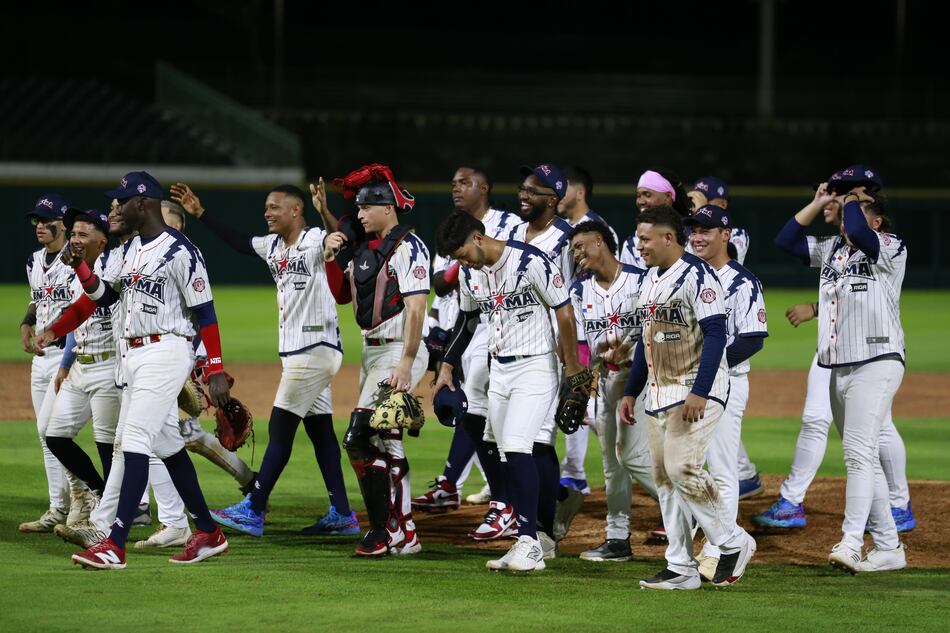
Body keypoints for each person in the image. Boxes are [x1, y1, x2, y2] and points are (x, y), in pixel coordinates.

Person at [39, 171, 231, 569]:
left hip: (166, 350)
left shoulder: (180, 251)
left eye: (121, 202)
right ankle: (209, 533)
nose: (116, 208)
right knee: (167, 446)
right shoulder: (127, 252)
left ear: (142, 204)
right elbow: (102, 297)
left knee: (133, 440)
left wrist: (215, 367)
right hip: (133, 356)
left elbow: (206, 312)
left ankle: (115, 542)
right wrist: (68, 298)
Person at [169, 182, 356, 538]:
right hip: (300, 353)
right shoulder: (271, 245)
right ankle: (342, 513)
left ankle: (253, 508)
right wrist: (201, 213)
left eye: (274, 207)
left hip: (315, 349)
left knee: (280, 429)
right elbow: (239, 241)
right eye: (266, 207)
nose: (267, 213)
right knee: (320, 434)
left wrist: (332, 229)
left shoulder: (315, 238)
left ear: (295, 211)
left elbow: (339, 236)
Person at [754, 183, 914, 533]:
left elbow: (857, 229)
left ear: (877, 221)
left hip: (876, 355)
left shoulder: (889, 245)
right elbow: (785, 240)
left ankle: (873, 525)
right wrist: (817, 203)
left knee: (864, 447)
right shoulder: (833, 249)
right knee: (863, 445)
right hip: (838, 357)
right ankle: (887, 528)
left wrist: (852, 198)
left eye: (854, 212)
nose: (846, 220)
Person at [433, 206, 586, 572]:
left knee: (518, 448)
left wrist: (573, 367)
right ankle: (529, 539)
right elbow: (467, 322)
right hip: (498, 368)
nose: (462, 264)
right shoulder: (471, 276)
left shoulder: (530, 261)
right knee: (505, 454)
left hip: (536, 366)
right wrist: (447, 366)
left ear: (477, 238)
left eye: (462, 255)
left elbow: (563, 312)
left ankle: (530, 543)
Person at [619, 205, 756, 590]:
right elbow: (647, 343)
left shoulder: (699, 275)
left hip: (697, 389)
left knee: (682, 468)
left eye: (645, 238)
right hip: (658, 393)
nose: (639, 245)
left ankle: (732, 540)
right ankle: (680, 566)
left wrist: (699, 391)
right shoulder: (648, 281)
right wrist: (631, 391)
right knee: (665, 480)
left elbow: (716, 334)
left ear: (667, 238)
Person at [324, 164, 430, 557]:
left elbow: (417, 308)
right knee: (387, 442)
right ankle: (405, 532)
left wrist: (406, 361)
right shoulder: (365, 251)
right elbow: (342, 296)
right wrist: (331, 256)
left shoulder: (409, 247)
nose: (360, 214)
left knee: (358, 436)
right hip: (372, 352)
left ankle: (382, 530)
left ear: (387, 207)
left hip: (398, 351)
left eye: (366, 208)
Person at [411, 166, 513, 516]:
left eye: (464, 183)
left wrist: (471, 260)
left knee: (485, 410)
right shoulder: (453, 228)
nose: (456, 188)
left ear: (483, 187)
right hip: (463, 327)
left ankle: (500, 491)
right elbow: (440, 283)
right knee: (471, 408)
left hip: (502, 327)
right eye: (453, 182)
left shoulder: (508, 223)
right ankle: (463, 485)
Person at [684, 205, 769, 581]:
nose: (698, 236)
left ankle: (723, 549)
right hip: (686, 385)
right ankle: (694, 542)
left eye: (707, 230)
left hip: (728, 382)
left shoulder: (742, 281)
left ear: (726, 235)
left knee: (721, 466)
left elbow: (752, 339)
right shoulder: (686, 276)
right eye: (694, 230)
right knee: (685, 465)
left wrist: (709, 368)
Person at [567, 221, 656, 562]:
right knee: (612, 464)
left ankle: (687, 510)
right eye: (573, 250)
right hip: (607, 384)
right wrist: (584, 377)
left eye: (580, 246)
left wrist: (629, 347)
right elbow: (582, 344)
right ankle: (617, 538)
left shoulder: (641, 280)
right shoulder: (580, 291)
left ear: (600, 241)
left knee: (634, 457)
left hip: (643, 382)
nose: (576, 254)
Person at [19, 193, 94, 533]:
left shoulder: (78, 262)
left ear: (62, 224)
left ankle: (82, 496)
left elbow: (86, 304)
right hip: (41, 358)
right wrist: (26, 322)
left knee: (52, 431)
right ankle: (57, 507)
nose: (39, 226)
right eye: (36, 220)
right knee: (42, 433)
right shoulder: (35, 261)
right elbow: (38, 299)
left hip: (69, 354)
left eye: (46, 221)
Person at [41, 209, 119, 509]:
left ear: (102, 241)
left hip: (109, 365)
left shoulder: (113, 271)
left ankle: (114, 516)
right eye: (73, 233)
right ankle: (100, 492)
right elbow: (78, 319)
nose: (75, 239)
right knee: (56, 437)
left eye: (83, 234)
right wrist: (63, 362)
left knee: (107, 446)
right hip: (80, 366)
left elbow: (93, 303)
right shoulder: (75, 275)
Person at [555, 166, 620, 504]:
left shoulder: (597, 230)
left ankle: (582, 470)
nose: (556, 194)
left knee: (582, 403)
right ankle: (574, 472)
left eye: (562, 189)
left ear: (579, 192)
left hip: (589, 328)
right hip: (573, 324)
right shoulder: (568, 230)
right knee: (573, 402)